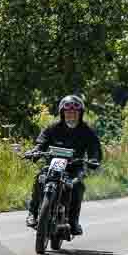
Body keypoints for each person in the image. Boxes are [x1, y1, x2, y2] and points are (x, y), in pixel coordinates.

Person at [24, 94, 102, 235]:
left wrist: (94, 159)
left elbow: (94, 149)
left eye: (74, 112)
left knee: (78, 185)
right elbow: (41, 143)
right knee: (39, 178)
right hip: (53, 165)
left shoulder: (87, 131)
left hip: (75, 167)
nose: (71, 114)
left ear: (80, 113)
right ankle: (33, 214)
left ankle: (73, 221)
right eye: (68, 111)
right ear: (62, 112)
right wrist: (35, 152)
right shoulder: (52, 128)